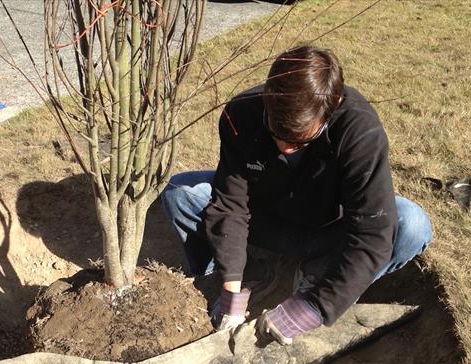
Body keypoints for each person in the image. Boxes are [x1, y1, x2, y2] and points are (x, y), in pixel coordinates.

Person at [160, 45, 432, 345]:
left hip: (325, 231)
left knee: (411, 223)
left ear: (331, 110)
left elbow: (372, 234)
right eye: (277, 134)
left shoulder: (359, 131)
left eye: (299, 141)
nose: (284, 148)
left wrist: (314, 308)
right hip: (265, 223)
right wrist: (231, 289)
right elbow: (231, 205)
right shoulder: (242, 114)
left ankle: (315, 280)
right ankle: (237, 277)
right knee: (181, 193)